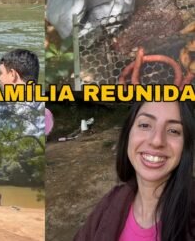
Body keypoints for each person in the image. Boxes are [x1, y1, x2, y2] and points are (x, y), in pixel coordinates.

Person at [74, 101, 195, 241]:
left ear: (186, 145)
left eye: (173, 131)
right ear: (128, 133)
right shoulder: (110, 202)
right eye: (145, 125)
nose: (157, 141)